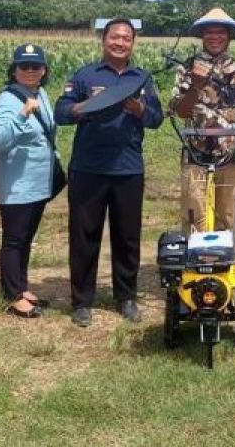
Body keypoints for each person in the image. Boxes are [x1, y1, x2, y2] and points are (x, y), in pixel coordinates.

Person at [56, 18, 163, 327]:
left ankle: (126, 297)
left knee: (128, 236)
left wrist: (139, 110)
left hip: (128, 168)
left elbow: (155, 118)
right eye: (114, 37)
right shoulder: (85, 75)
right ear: (104, 40)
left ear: (133, 43)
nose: (120, 42)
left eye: (126, 38)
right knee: (83, 235)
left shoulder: (142, 78)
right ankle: (82, 301)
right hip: (88, 168)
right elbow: (61, 112)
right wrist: (87, 106)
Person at [169, 8, 235, 233]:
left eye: (220, 32)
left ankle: (221, 263)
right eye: (209, 32)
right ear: (202, 36)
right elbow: (180, 112)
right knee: (194, 216)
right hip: (196, 153)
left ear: (229, 36)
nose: (215, 37)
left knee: (227, 216)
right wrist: (196, 86)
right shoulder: (187, 68)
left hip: (233, 154)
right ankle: (195, 263)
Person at [0, 44, 61, 319]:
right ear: (14, 70)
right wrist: (22, 116)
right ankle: (12, 295)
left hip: (37, 184)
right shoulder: (7, 100)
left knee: (26, 238)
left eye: (36, 66)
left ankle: (21, 286)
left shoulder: (40, 93)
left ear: (44, 70)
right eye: (24, 67)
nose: (30, 71)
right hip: (16, 184)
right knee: (14, 240)